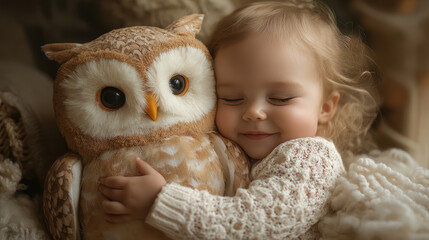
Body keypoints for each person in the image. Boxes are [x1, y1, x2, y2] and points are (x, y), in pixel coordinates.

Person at [97, 0, 380, 238]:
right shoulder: (232, 151)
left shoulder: (311, 157)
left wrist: (159, 201)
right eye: (231, 98)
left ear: (326, 108)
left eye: (280, 98)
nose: (253, 112)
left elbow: (253, 224)